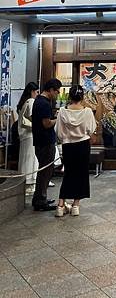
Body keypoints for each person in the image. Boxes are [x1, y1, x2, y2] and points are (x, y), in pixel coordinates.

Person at [55, 85, 97, 217]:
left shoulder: (62, 111)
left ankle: (60, 205)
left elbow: (59, 132)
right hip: (83, 145)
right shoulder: (88, 112)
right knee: (81, 174)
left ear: (69, 96)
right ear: (82, 97)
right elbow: (91, 129)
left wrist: (67, 137)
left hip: (68, 145)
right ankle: (75, 206)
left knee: (68, 173)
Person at [31, 78, 62, 211]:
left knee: (44, 171)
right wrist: (58, 119)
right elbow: (46, 123)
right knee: (45, 171)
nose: (57, 94)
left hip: (40, 141)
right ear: (50, 90)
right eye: (56, 91)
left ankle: (40, 198)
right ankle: (40, 201)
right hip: (44, 142)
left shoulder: (38, 100)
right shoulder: (43, 103)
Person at [17, 82, 39, 196]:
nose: (37, 94)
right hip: (30, 134)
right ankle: (29, 185)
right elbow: (32, 116)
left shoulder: (23, 102)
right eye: (36, 92)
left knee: (25, 159)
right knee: (30, 160)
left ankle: (23, 183)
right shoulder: (31, 101)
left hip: (24, 135)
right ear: (32, 92)